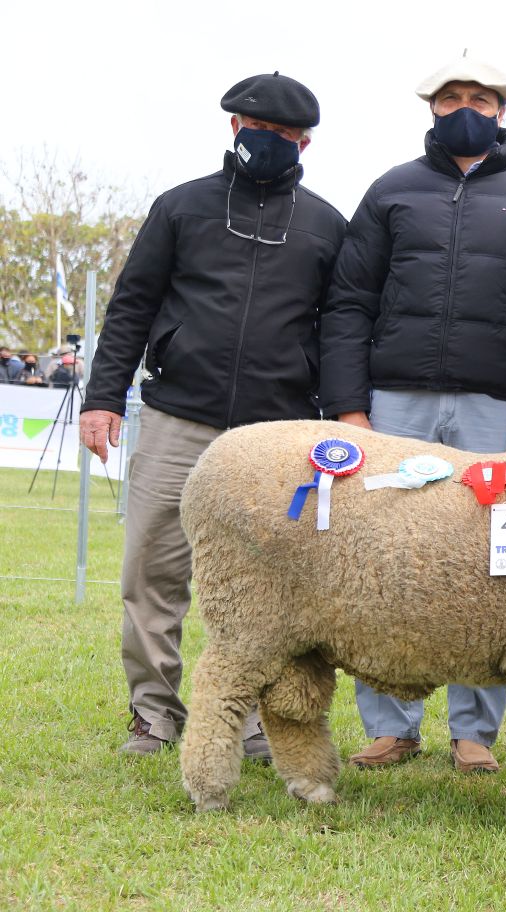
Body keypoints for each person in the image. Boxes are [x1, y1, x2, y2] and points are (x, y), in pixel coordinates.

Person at [79, 73, 347, 758]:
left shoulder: (326, 225)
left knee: (267, 586)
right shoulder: (180, 207)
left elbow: (339, 328)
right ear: (235, 127)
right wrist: (103, 396)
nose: (272, 141)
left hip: (273, 436)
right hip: (177, 418)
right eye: (260, 129)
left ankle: (253, 719)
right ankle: (154, 712)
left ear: (305, 143)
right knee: (152, 569)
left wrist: (344, 413)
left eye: (286, 135)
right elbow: (132, 306)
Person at [319, 57, 506, 774]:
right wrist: (349, 409)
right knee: (383, 558)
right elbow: (348, 303)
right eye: (452, 97)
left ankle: (475, 733)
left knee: (496, 565)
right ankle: (390, 725)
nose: (466, 108)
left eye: (480, 98)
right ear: (431, 107)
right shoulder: (391, 190)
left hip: (500, 410)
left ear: (502, 110)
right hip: (394, 403)